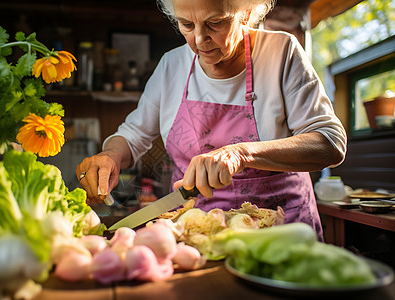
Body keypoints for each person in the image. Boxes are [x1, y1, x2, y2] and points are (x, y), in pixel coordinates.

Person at [76, 0, 347, 241]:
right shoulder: (172, 65)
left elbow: (330, 143)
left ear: (246, 13)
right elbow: (134, 134)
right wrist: (111, 155)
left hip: (281, 231)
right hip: (201, 233)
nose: (198, 39)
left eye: (215, 23)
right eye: (186, 24)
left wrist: (241, 153)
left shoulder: (281, 52)